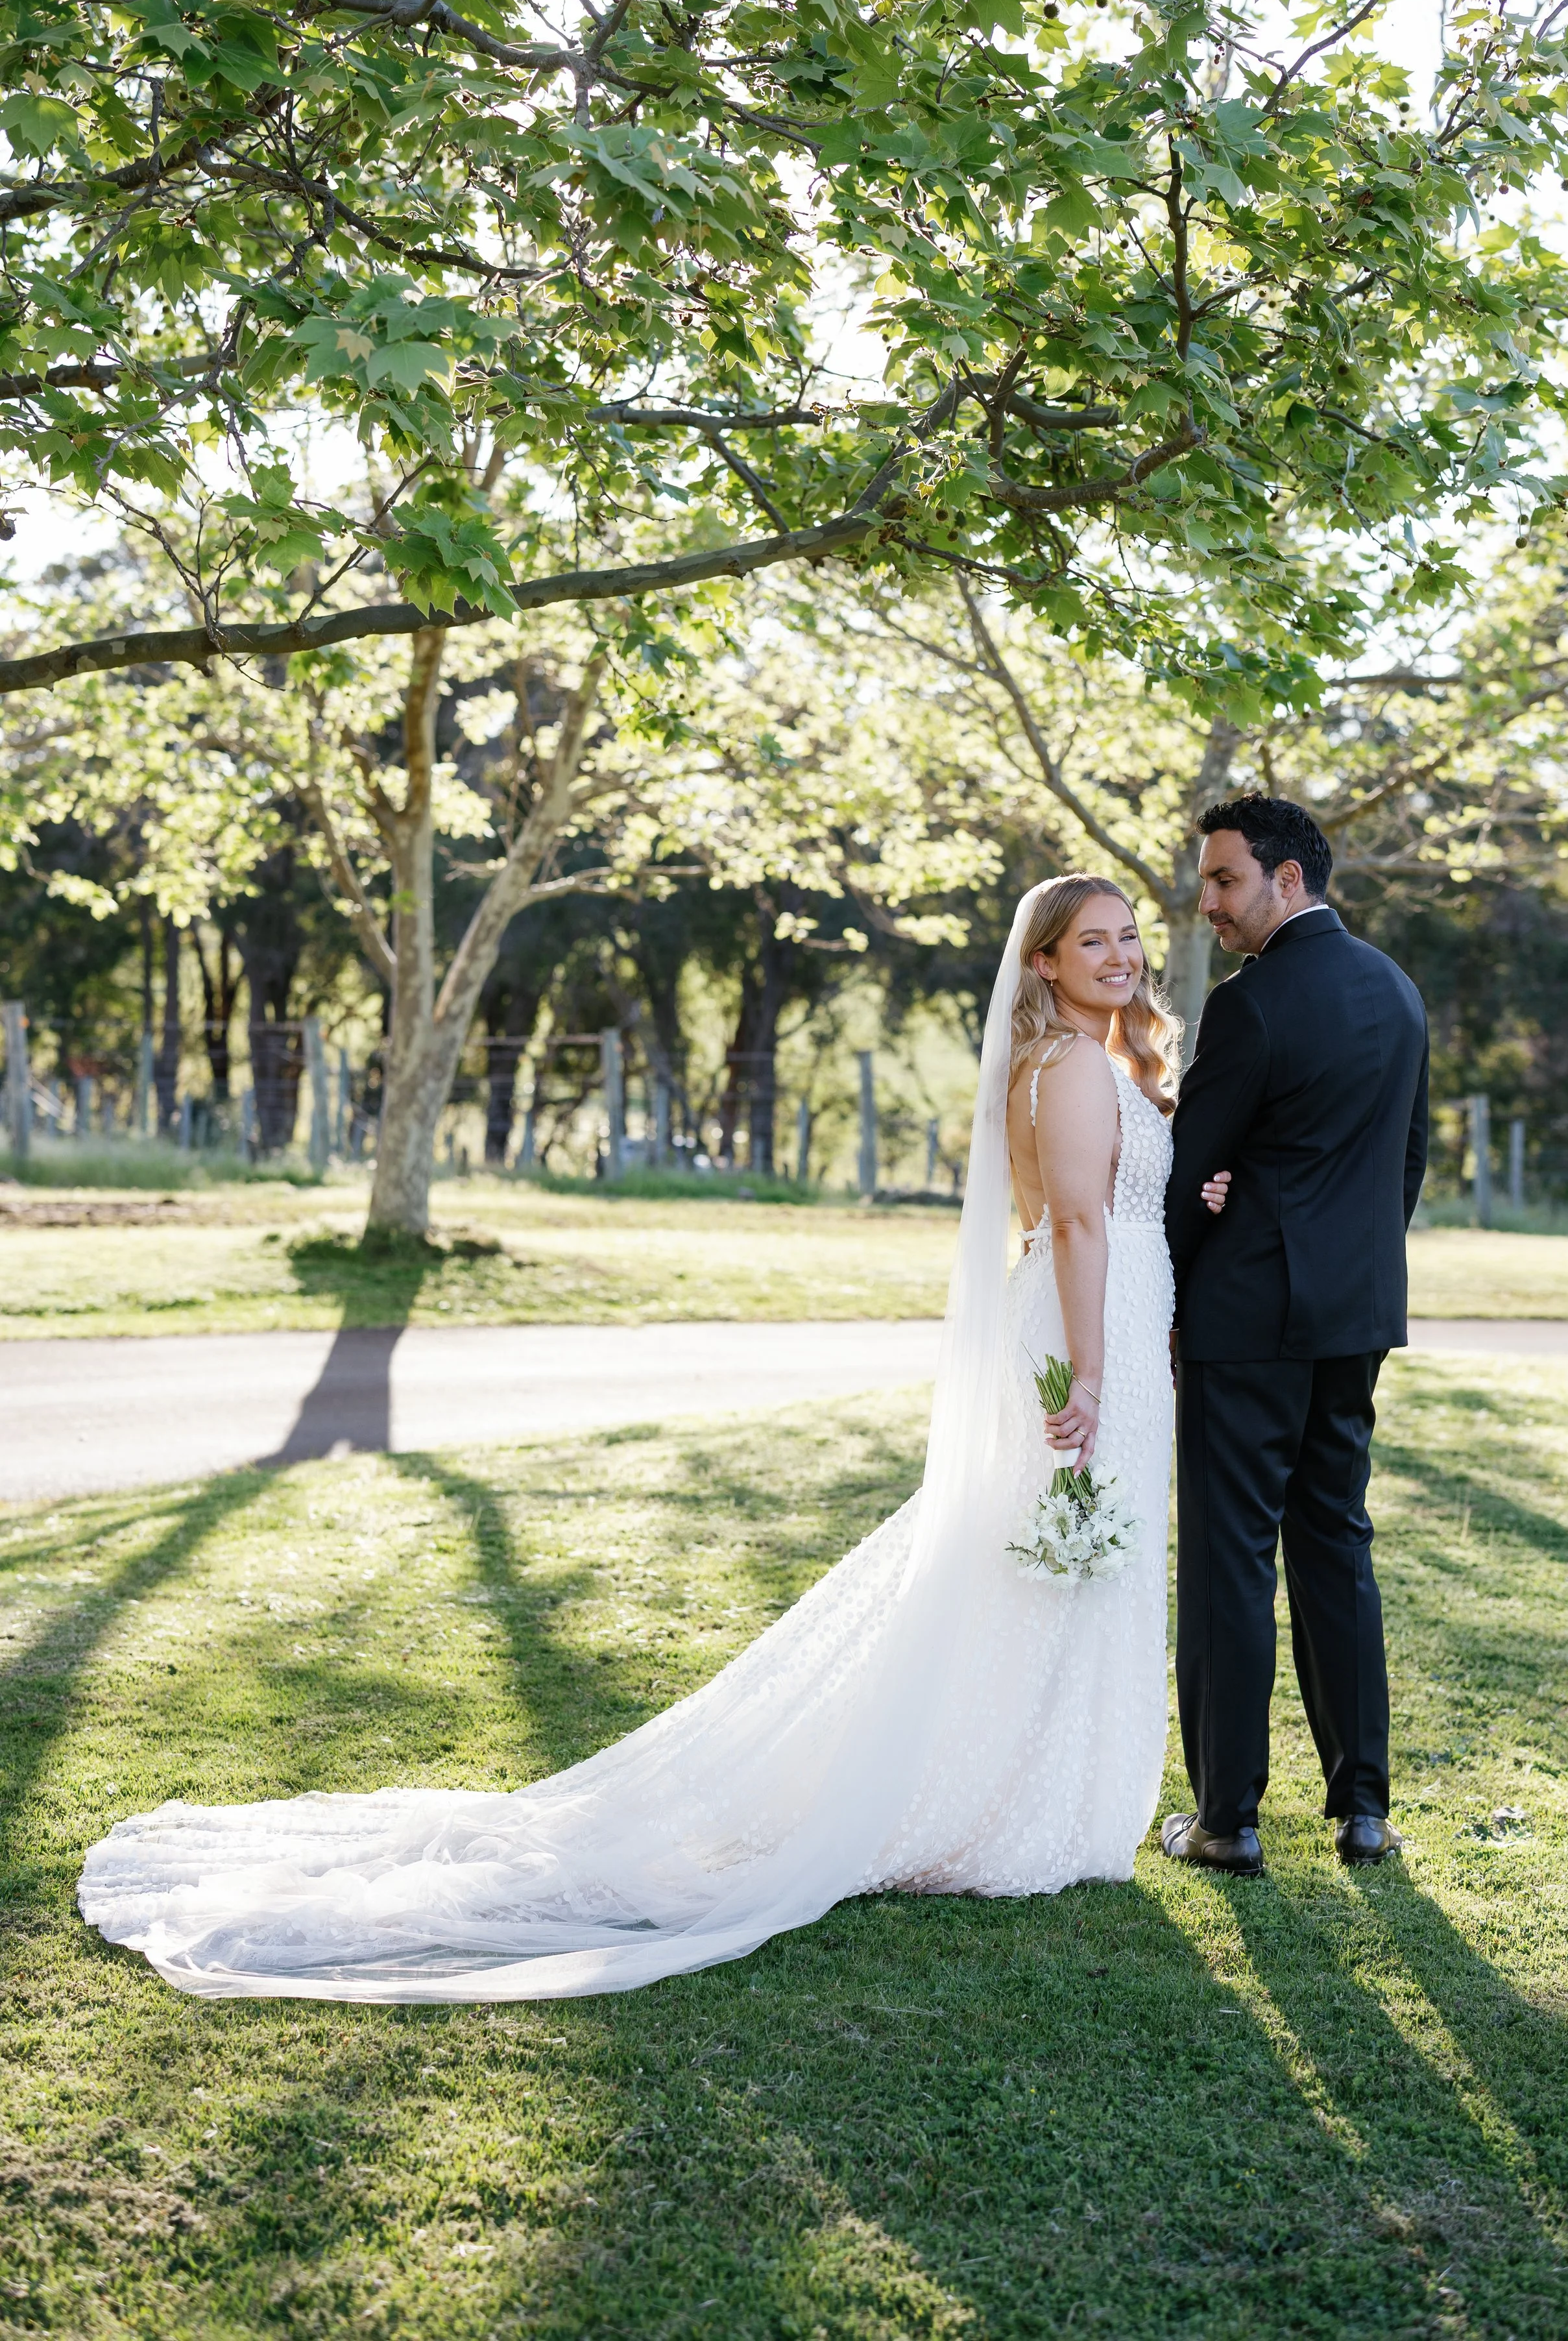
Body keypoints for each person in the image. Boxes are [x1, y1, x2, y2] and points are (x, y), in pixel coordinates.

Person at [78, 876, 1224, 2004]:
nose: (1122, 957)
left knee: (1048, 1560)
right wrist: (1089, 1368)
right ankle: (1003, 1806)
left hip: (1110, 1320)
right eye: (1094, 942)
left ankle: (1036, 1795)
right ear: (1044, 963)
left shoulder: (1101, 1063)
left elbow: (1112, 1208)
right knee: (1048, 1557)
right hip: (1087, 1341)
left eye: (1130, 938)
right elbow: (1074, 1220)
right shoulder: (1071, 1064)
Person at [1162, 796, 1429, 1877]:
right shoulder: (1397, 991)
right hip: (1352, 1318)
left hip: (1247, 1318)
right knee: (1336, 1545)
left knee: (1232, 1557)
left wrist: (1171, 1292)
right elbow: (1403, 1164)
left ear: (1287, 879)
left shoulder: (1251, 1003)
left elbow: (1188, 1173)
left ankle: (1227, 1819)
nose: (1209, 903)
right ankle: (1363, 1809)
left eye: (1226, 880)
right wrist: (1350, 1269)